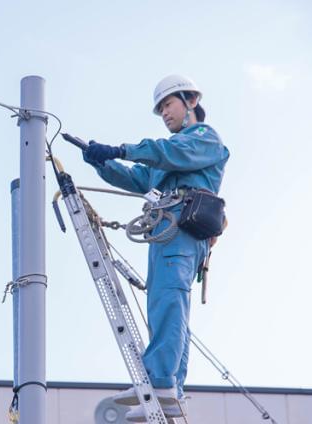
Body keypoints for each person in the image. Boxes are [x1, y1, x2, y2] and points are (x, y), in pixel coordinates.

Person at [81, 75, 229, 421]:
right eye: (161, 108)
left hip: (180, 231)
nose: (164, 113)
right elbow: (138, 178)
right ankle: (170, 388)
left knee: (168, 300)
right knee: (167, 303)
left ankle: (161, 381)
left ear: (190, 100)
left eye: (168, 104)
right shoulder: (169, 163)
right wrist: (102, 161)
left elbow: (168, 153)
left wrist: (121, 149)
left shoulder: (203, 139)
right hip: (166, 231)